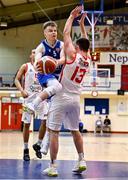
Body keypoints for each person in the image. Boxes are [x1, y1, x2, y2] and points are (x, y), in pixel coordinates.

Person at [42, 6, 91, 176]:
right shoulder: (88, 58)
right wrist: (83, 24)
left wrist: (71, 17)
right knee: (75, 131)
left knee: (54, 132)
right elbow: (86, 40)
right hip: (76, 99)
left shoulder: (72, 54)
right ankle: (82, 159)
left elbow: (66, 34)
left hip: (62, 96)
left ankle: (53, 167)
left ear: (77, 47)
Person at [24, 21, 65, 155]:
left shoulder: (61, 45)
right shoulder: (41, 46)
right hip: (46, 76)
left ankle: (43, 146)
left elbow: (64, 58)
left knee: (53, 115)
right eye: (50, 30)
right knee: (56, 86)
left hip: (57, 76)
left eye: (55, 30)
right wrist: (37, 63)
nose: (53, 32)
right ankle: (33, 104)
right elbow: (37, 58)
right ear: (45, 33)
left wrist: (56, 62)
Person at [15, 49, 48, 161]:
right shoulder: (25, 66)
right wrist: (21, 90)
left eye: (37, 52)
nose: (35, 53)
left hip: (41, 99)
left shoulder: (44, 68)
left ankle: (38, 144)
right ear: (30, 55)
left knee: (45, 121)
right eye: (33, 52)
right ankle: (25, 149)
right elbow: (16, 79)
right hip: (28, 100)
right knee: (27, 125)